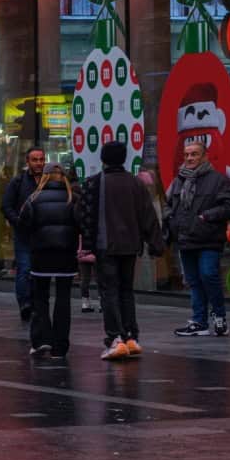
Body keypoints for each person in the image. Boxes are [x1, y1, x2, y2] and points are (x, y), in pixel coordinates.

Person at [80, 139, 163, 360]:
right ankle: (131, 337)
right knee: (126, 291)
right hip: (130, 245)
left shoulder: (95, 183)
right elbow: (148, 216)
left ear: (103, 159)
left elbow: (84, 216)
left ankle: (115, 338)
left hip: (105, 245)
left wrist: (85, 245)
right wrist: (156, 244)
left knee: (109, 292)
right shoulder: (136, 184)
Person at [165, 139, 230, 337]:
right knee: (194, 281)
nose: (189, 158)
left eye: (194, 154)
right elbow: (169, 203)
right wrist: (171, 221)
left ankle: (219, 315)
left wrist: (207, 216)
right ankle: (199, 321)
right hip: (185, 238)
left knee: (208, 275)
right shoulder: (179, 179)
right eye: (187, 154)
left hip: (208, 238)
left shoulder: (217, 179)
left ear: (204, 156)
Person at [17, 161, 82, 359]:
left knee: (40, 298)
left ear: (44, 177)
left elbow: (22, 226)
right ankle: (60, 346)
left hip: (41, 255)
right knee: (63, 300)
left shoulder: (33, 199)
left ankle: (41, 339)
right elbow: (81, 225)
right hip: (65, 256)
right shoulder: (73, 198)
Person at [1, 147, 48, 321]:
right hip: (24, 235)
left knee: (40, 270)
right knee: (25, 269)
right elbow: (6, 206)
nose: (38, 163)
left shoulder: (49, 181)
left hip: (44, 235)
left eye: (41, 159)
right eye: (35, 160)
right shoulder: (18, 182)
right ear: (27, 162)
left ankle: (37, 302)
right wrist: (18, 222)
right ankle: (25, 303)